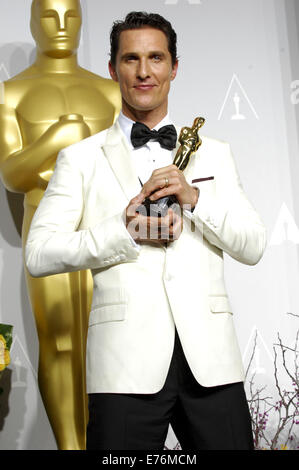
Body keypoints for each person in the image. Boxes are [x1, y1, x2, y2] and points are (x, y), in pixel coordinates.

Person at [25, 11, 267, 450]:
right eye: (130, 58)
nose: (143, 71)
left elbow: (253, 246)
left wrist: (196, 200)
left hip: (211, 363)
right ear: (113, 68)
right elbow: (39, 253)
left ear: (174, 67)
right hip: (123, 367)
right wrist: (123, 232)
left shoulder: (215, 153)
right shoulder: (80, 158)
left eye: (156, 58)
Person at [0, 0, 120, 449]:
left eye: (71, 15)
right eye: (49, 15)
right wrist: (58, 137)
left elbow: (124, 164)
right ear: (32, 22)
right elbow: (12, 174)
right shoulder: (11, 92)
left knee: (108, 340)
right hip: (45, 225)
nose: (62, 25)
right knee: (60, 342)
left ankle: (109, 444)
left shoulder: (108, 91)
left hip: (106, 225)